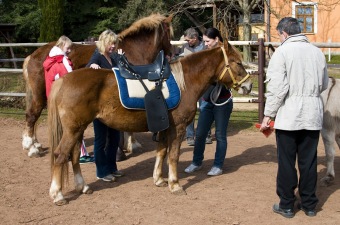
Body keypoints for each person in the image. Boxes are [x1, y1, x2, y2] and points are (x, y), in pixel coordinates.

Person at [259, 17, 329, 218]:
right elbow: (324, 84)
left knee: (287, 161)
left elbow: (277, 89)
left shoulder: (282, 53)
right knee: (309, 161)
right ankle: (309, 204)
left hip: (289, 115)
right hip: (313, 113)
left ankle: (287, 204)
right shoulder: (317, 53)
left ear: (284, 33)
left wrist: (268, 115)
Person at [184, 27, 233, 176]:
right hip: (206, 100)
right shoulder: (205, 55)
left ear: (216, 40)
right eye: (204, 41)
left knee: (219, 135)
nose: (205, 44)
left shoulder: (225, 56)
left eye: (207, 41)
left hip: (222, 101)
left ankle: (218, 165)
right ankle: (196, 162)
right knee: (200, 133)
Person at [43, 35, 94, 164]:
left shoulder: (50, 61)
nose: (69, 51)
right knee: (76, 126)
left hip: (52, 97)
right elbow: (71, 81)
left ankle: (65, 152)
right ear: (61, 46)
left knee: (62, 128)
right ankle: (81, 154)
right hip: (65, 98)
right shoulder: (63, 61)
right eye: (68, 48)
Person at [87, 29, 124, 182]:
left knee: (115, 138)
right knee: (101, 140)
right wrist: (93, 66)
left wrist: (121, 59)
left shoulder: (114, 57)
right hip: (100, 107)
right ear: (104, 42)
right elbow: (89, 69)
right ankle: (101, 171)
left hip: (114, 107)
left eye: (115, 43)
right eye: (111, 43)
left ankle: (111, 167)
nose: (113, 46)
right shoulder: (98, 56)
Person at [180, 27, 213, 146]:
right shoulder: (186, 48)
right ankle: (190, 136)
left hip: (203, 85)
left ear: (194, 38)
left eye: (189, 40)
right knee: (190, 111)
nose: (187, 42)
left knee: (204, 109)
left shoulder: (206, 47)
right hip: (191, 85)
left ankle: (206, 134)